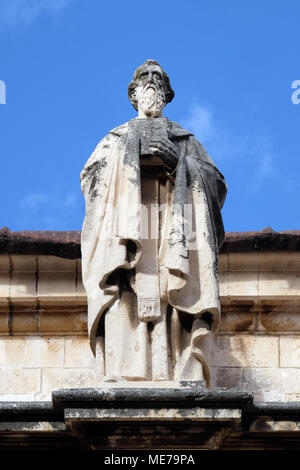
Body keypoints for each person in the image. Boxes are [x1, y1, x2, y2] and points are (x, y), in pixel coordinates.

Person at [80, 60, 227, 385]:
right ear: (133, 93)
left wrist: (179, 164)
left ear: (167, 94)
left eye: (158, 80)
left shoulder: (185, 140)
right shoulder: (115, 139)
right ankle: (123, 370)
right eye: (144, 79)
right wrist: (127, 157)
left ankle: (179, 370)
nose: (151, 84)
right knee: (124, 294)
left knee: (172, 295)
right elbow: (91, 181)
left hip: (173, 234)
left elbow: (214, 185)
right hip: (126, 237)